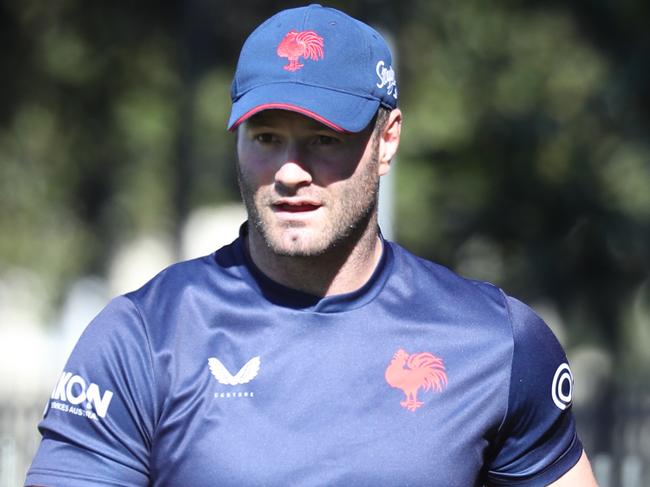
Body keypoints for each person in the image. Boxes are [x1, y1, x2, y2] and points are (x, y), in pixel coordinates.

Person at [26, 4, 599, 486]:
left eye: (323, 139)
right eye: (267, 139)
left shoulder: (498, 342)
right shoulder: (143, 338)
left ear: (387, 139)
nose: (290, 171)